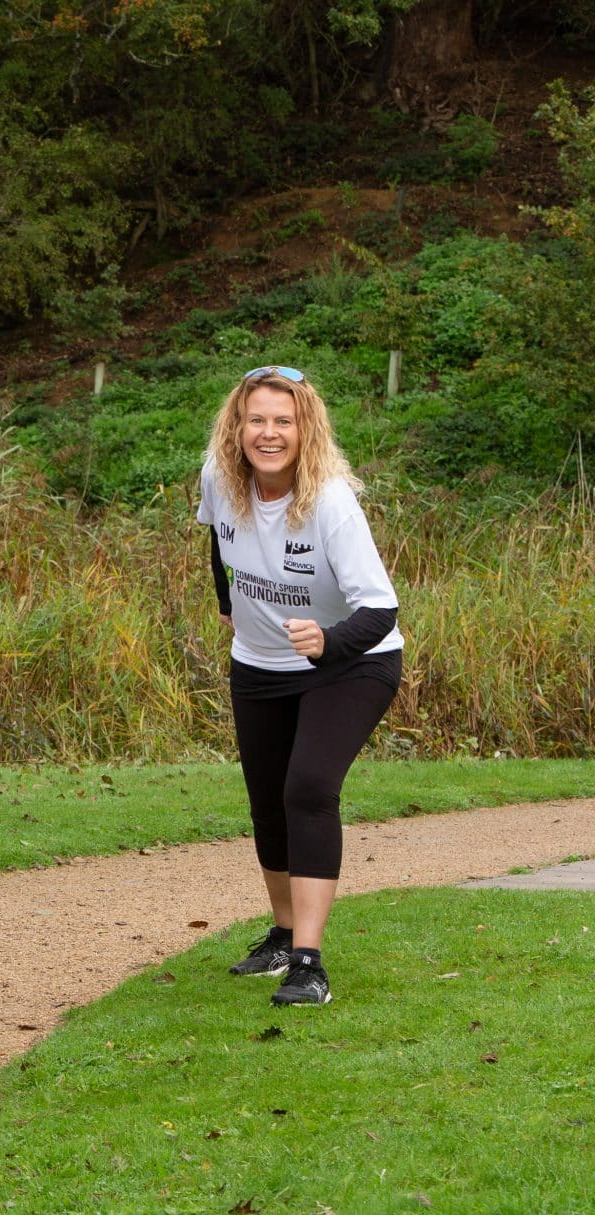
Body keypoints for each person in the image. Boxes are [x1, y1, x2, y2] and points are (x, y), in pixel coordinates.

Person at [198, 365, 402, 1007]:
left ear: (304, 428)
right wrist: (226, 598)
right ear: (236, 427)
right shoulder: (219, 479)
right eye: (255, 419)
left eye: (282, 421)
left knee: (308, 788)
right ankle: (283, 934)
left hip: (350, 662)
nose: (268, 432)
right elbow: (218, 539)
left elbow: (380, 609)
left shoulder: (332, 501)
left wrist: (327, 642)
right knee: (267, 801)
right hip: (257, 665)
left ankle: (309, 964)